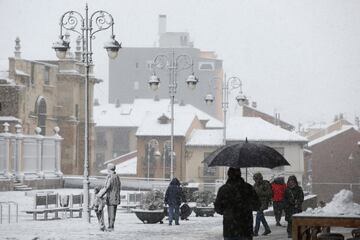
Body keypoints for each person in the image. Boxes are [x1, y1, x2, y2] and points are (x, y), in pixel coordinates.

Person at [214, 168, 260, 240]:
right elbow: (257, 205)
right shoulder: (248, 188)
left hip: (230, 229)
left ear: (228, 175)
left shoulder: (223, 189)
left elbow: (218, 209)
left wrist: (228, 210)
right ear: (240, 174)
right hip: (246, 228)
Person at [98, 163, 121, 231]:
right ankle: (112, 226)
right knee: (113, 213)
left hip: (111, 197)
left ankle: (110, 227)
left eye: (107, 168)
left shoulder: (110, 177)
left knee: (110, 213)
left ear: (109, 169)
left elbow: (107, 187)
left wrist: (100, 194)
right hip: (116, 197)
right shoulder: (117, 176)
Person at [253, 172, 272, 236]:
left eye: (256, 178)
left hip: (264, 202)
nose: (255, 180)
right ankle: (267, 229)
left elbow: (269, 193)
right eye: (255, 179)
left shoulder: (265, 184)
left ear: (260, 178)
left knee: (258, 216)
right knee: (261, 216)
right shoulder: (255, 185)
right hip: (257, 203)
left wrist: (260, 193)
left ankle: (255, 232)